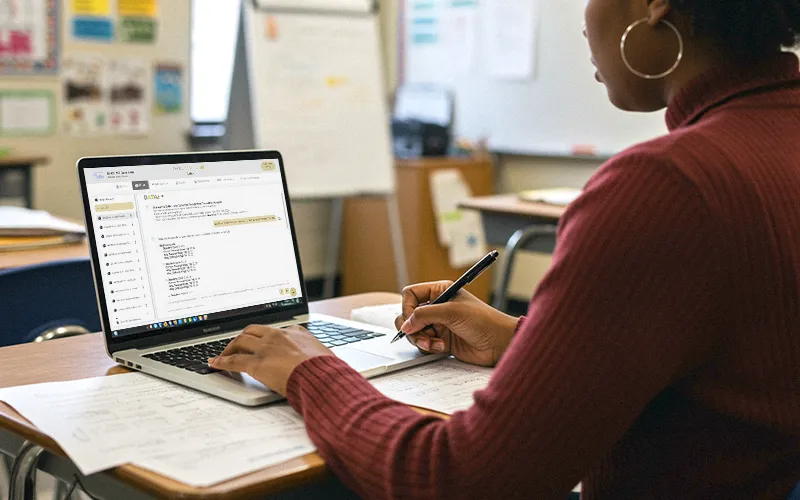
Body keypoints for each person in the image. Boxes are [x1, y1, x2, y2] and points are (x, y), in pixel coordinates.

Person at [210, 0, 800, 498]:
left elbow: (460, 479)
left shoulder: (666, 187)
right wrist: (519, 340)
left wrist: (311, 371)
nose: (583, 21)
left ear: (654, 6)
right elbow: (725, 372)